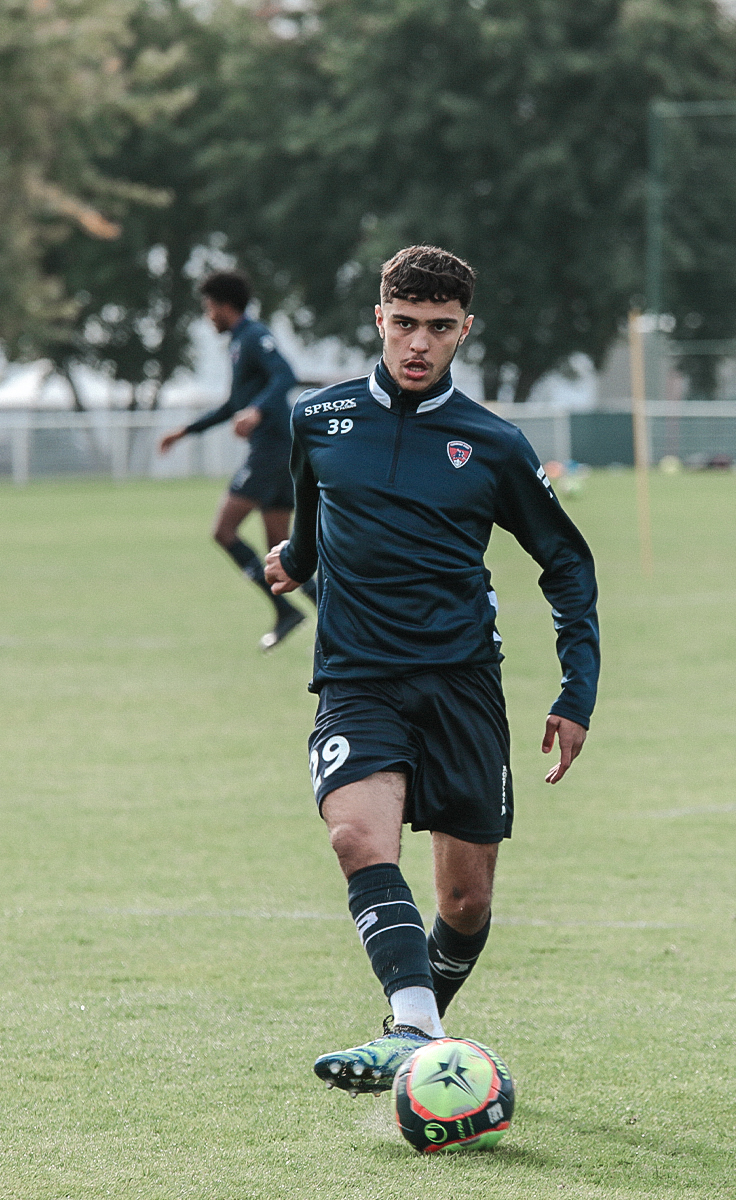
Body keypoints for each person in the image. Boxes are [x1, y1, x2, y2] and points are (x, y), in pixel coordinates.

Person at [263, 246, 600, 1093]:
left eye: (439, 329)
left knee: (464, 905)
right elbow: (310, 515)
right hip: (356, 677)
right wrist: (297, 561)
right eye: (405, 324)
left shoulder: (493, 446)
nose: (419, 344)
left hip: (461, 687)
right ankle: (414, 1027)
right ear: (379, 319)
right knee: (354, 836)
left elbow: (567, 563)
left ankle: (416, 1032)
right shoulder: (320, 419)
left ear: (464, 331)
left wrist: (577, 688)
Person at [159, 271, 313, 650]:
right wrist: (186, 431)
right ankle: (337, 615)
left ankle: (285, 611)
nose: (208, 315)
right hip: (280, 453)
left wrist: (258, 411)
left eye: (209, 308)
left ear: (225, 306)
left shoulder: (255, 337)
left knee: (223, 532)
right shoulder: (238, 343)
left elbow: (286, 375)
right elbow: (233, 404)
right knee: (283, 550)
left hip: (272, 451)